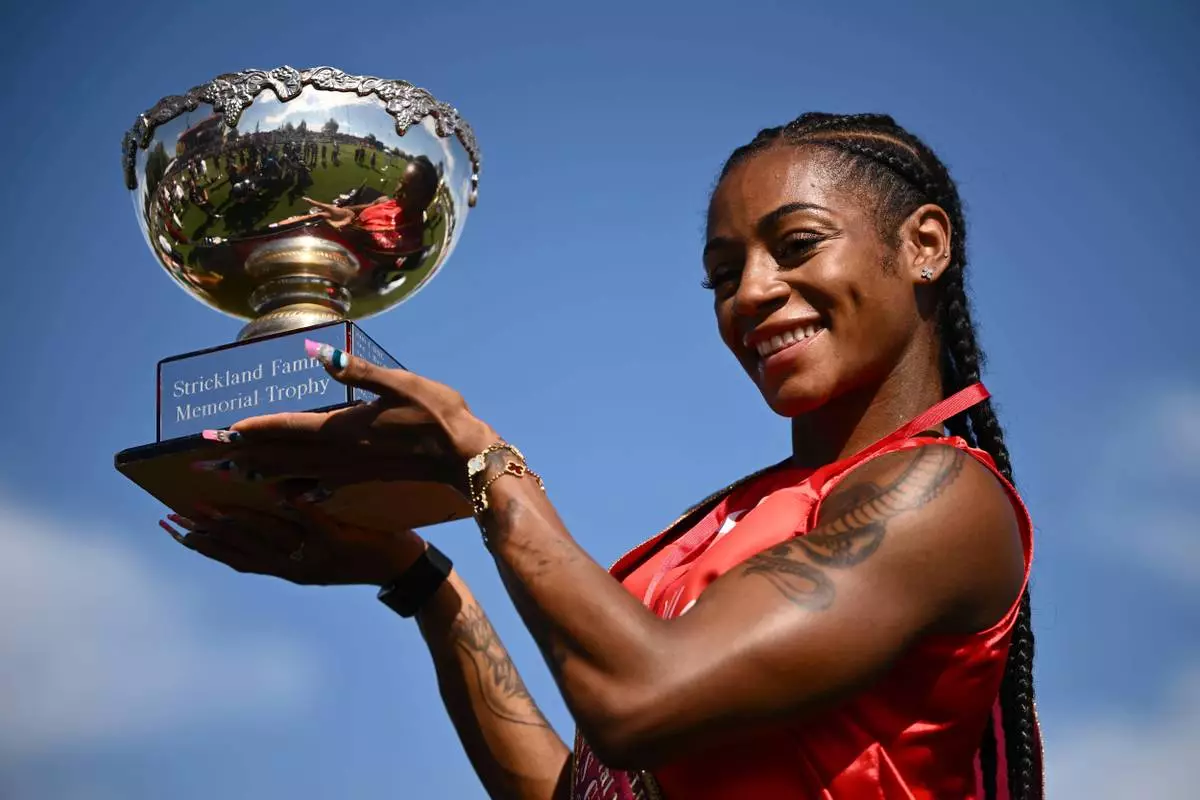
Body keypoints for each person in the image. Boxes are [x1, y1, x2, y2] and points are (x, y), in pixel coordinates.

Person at [163, 113, 1042, 799]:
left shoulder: (941, 495)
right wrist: (422, 580)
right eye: (723, 273)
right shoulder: (748, 509)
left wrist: (483, 460)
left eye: (797, 244)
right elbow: (581, 789)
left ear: (924, 245)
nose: (754, 293)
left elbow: (639, 701)